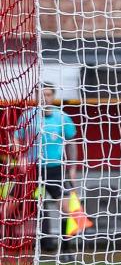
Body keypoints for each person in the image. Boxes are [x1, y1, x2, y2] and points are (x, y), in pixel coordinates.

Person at [25, 85, 79, 252]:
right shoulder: (27, 116)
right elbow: (16, 138)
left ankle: (65, 248)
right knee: (11, 207)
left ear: (53, 96)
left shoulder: (62, 116)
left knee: (66, 209)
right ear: (35, 96)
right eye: (41, 95)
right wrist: (19, 156)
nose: (44, 98)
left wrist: (73, 167)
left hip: (55, 169)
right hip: (32, 170)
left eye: (48, 95)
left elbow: (71, 142)